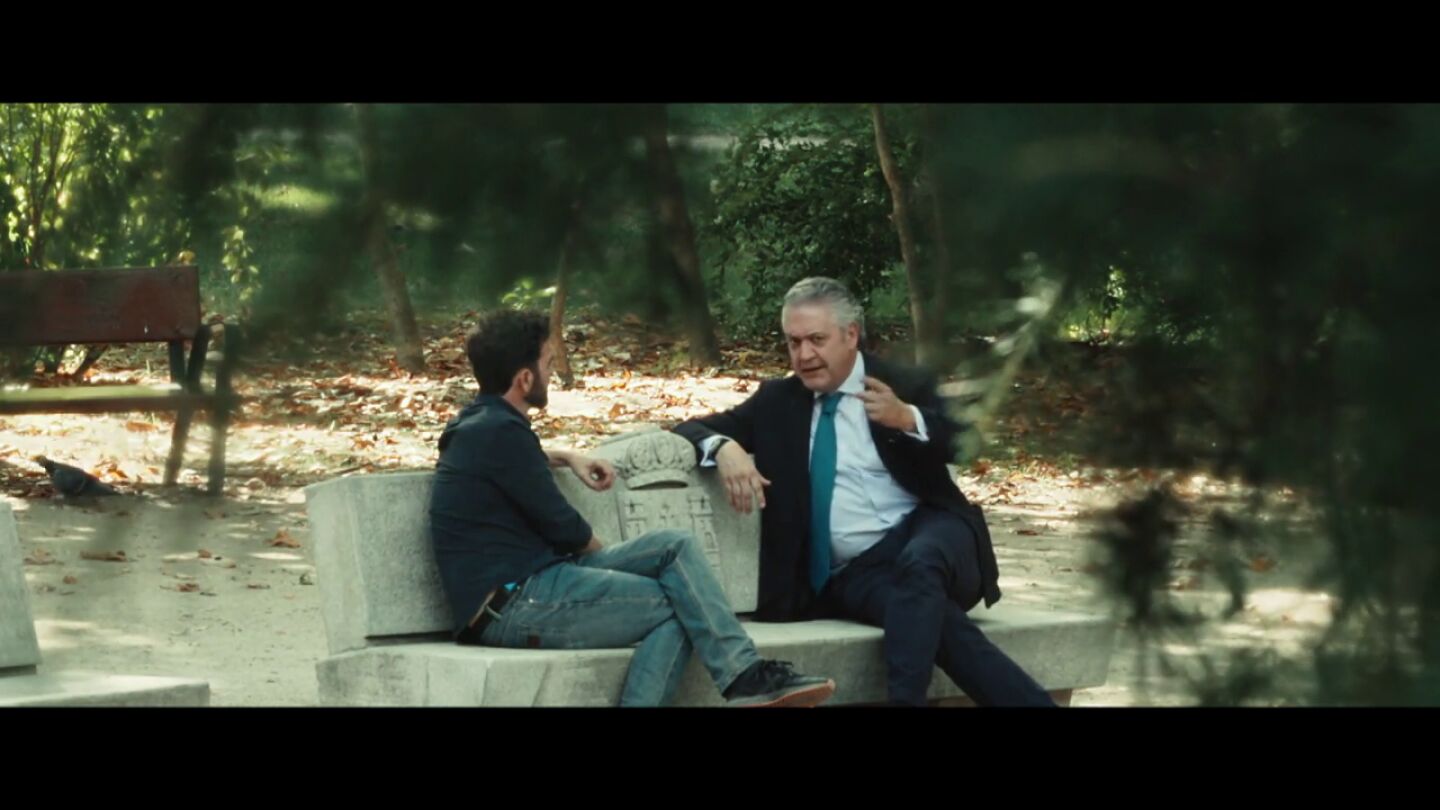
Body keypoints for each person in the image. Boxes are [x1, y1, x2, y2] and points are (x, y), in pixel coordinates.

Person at [673, 277, 1054, 707]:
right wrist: (723, 447)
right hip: (859, 573)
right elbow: (686, 429)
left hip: (933, 531)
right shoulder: (776, 402)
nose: (804, 355)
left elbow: (966, 440)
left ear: (851, 334)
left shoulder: (902, 383)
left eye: (816, 340)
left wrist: (907, 418)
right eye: (794, 342)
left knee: (920, 564)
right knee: (935, 620)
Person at [428, 307, 836, 707]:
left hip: (531, 585)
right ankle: (744, 676)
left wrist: (566, 455)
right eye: (548, 364)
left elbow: (508, 461)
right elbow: (567, 530)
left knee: (674, 545)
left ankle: (745, 677)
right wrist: (611, 564)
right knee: (682, 603)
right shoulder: (499, 433)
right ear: (524, 378)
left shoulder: (484, 425)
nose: (553, 373)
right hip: (513, 603)